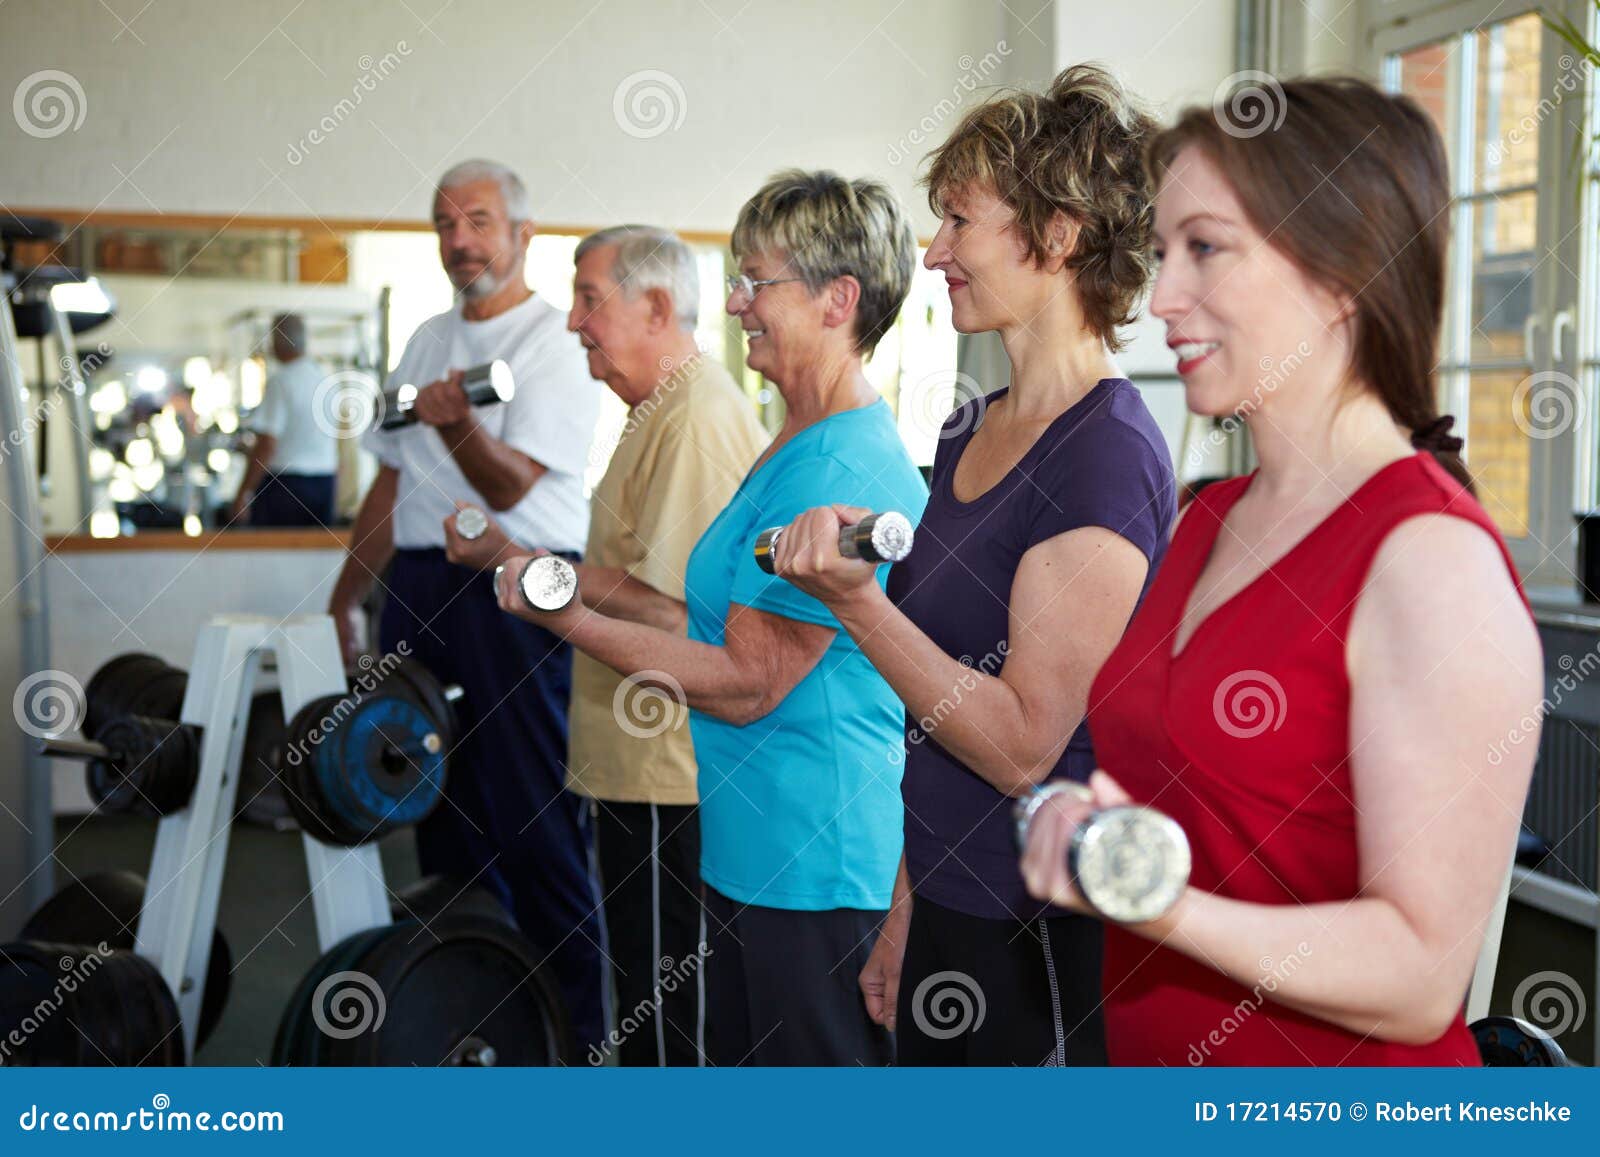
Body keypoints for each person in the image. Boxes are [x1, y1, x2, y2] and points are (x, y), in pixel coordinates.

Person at [1020, 76, 1544, 1065]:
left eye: (1205, 248)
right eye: (1163, 249)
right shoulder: (1206, 515)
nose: (1162, 297)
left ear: (1342, 271)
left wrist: (1156, 901)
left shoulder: (1429, 559)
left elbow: (1420, 973)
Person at [767, 65, 1175, 1066]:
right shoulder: (966, 428)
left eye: (958, 220)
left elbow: (1022, 742)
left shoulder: (1104, 453)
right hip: (944, 894)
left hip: (1034, 919)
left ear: (1059, 233)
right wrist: (904, 909)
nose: (934, 249)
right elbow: (929, 721)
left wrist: (854, 605)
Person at [493, 170, 928, 1066]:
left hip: (818, 864)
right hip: (747, 847)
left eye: (756, 282)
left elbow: (747, 681)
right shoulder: (791, 439)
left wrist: (563, 612)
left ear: (838, 299)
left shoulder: (842, 461)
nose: (735, 305)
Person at [443, 224, 768, 1065]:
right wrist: (510, 557)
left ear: (657, 306)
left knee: (668, 1025)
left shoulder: (694, 417)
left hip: (670, 773)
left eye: (591, 300)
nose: (574, 322)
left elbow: (666, 610)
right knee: (649, 1003)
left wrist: (537, 570)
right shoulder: (653, 415)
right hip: (635, 764)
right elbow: (627, 578)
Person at [324, 158, 609, 1053]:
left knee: (529, 804)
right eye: (446, 224)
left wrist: (456, 422)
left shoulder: (552, 344)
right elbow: (391, 478)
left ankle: (578, 1024)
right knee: (432, 799)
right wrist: (344, 600)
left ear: (521, 234)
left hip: (516, 584)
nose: (460, 242)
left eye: (479, 222)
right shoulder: (422, 339)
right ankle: (466, 1007)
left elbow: (514, 486)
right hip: (418, 587)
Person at [231, 312, 338, 526]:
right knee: (314, 554)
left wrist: (242, 494)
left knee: (275, 554)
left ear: (276, 342)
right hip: (325, 482)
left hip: (286, 486)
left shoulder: (280, 382)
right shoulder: (325, 381)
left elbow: (267, 445)